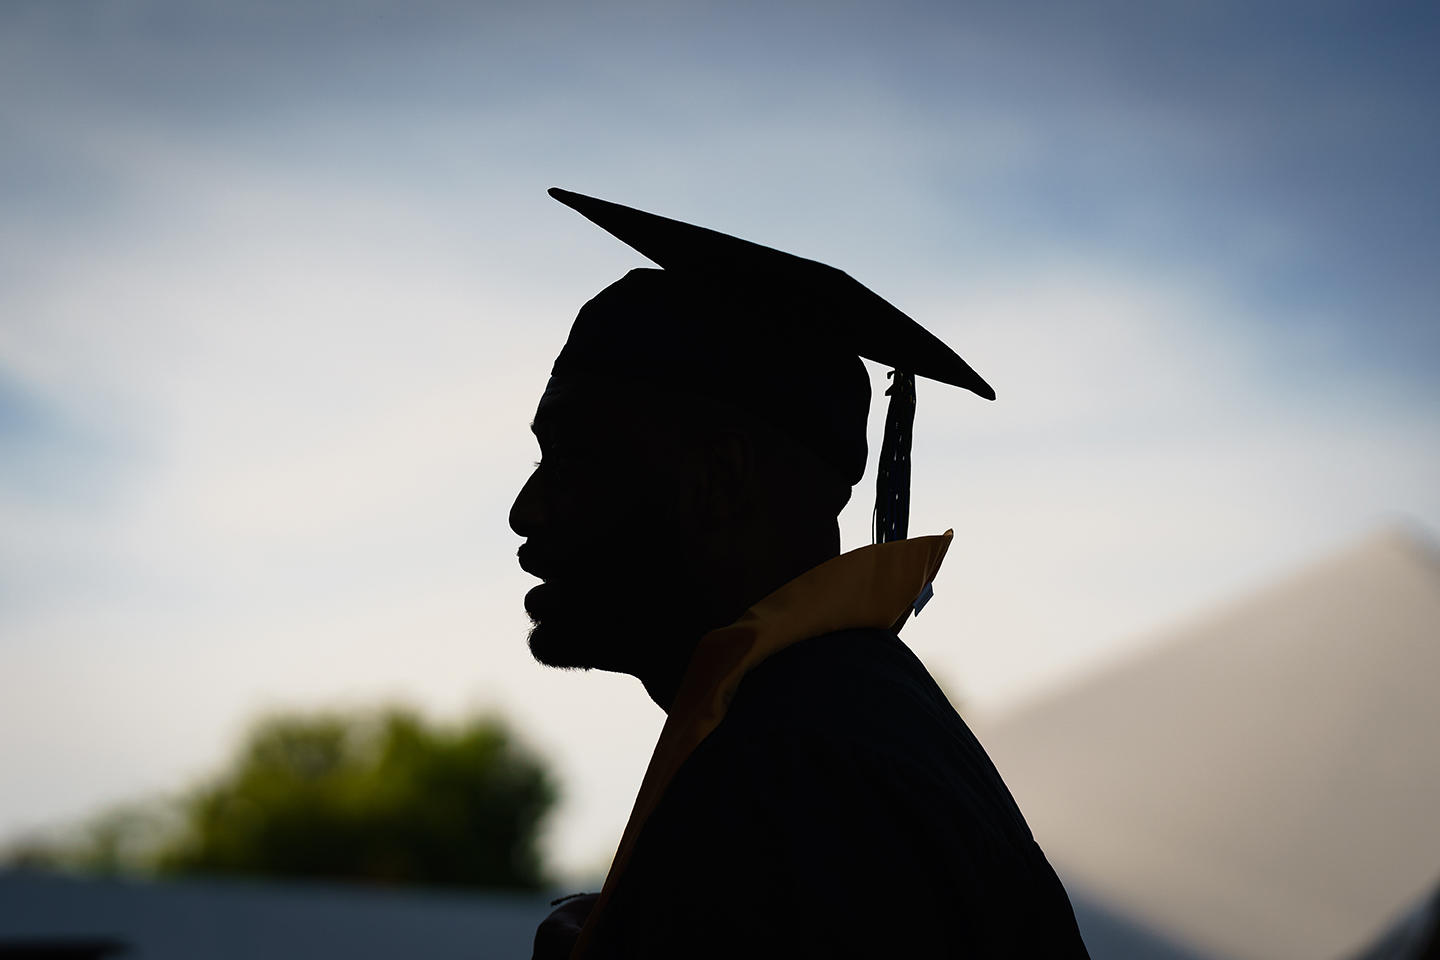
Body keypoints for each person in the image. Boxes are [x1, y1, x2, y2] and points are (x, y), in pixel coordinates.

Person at [514, 189, 1090, 959]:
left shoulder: (793, 779)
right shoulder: (854, 724)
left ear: (717, 481)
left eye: (573, 456)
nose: (528, 509)